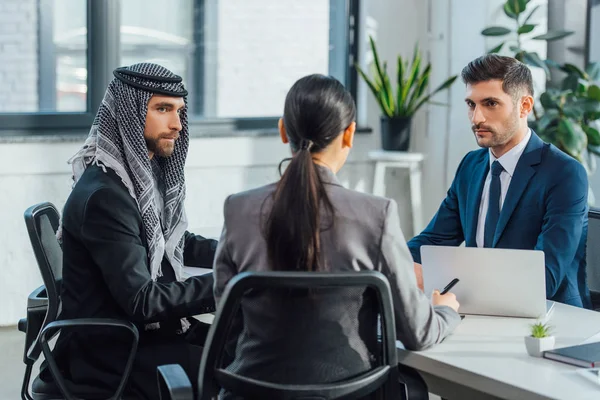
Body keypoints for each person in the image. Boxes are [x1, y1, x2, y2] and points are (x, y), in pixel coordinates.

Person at [213, 74, 461, 398]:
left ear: (283, 130)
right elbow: (418, 332)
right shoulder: (376, 214)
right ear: (349, 134)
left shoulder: (238, 210)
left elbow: (228, 322)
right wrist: (445, 310)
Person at [42, 63, 217, 399]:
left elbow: (170, 240)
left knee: (246, 344)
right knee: (242, 367)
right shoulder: (107, 196)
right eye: (163, 109)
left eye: (179, 111)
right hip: (114, 354)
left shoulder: (135, 177)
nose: (177, 124)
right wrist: (226, 281)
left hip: (142, 335)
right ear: (129, 114)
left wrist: (234, 250)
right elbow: (143, 301)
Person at [408, 54, 591, 308]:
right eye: (471, 104)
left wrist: (435, 279)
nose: (476, 119)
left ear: (525, 106)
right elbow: (433, 241)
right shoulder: (471, 166)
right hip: (481, 310)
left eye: (490, 103)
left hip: (549, 320)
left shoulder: (564, 174)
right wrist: (387, 259)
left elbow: (544, 279)